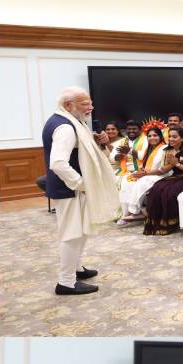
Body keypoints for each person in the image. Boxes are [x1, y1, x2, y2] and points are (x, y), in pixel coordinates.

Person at [44, 86, 120, 296]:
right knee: (72, 234)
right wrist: (81, 184)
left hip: (74, 189)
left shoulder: (73, 122)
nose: (91, 108)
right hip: (70, 189)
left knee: (81, 231)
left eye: (90, 103)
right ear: (69, 105)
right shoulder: (65, 127)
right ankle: (66, 282)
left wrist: (99, 143)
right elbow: (58, 163)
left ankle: (76, 269)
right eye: (85, 104)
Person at [141, 125, 183, 236]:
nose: (171, 139)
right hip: (178, 176)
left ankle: (171, 223)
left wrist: (177, 164)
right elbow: (163, 169)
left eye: (174, 137)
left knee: (169, 192)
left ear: (182, 138)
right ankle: (155, 223)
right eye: (169, 136)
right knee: (157, 187)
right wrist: (146, 173)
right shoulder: (168, 150)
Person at [115, 124, 167, 224]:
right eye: (150, 136)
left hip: (160, 175)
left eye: (155, 135)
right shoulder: (149, 149)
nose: (152, 138)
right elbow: (144, 163)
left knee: (143, 181)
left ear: (160, 137)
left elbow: (163, 169)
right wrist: (141, 171)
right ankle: (125, 213)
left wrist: (145, 173)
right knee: (127, 180)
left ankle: (135, 212)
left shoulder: (165, 148)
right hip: (148, 174)